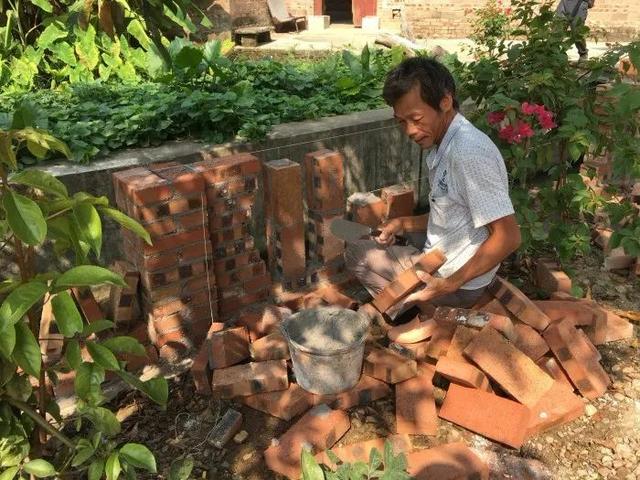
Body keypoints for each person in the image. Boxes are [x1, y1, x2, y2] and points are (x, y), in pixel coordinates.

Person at [345, 57, 521, 322]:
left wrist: (450, 283)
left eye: (416, 118)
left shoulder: (468, 153)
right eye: (401, 121)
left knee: (355, 252)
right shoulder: (447, 141)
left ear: (445, 101)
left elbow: (508, 237)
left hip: (457, 285)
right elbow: (454, 212)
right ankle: (410, 299)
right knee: (389, 237)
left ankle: (416, 313)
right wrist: (401, 223)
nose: (410, 131)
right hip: (446, 257)